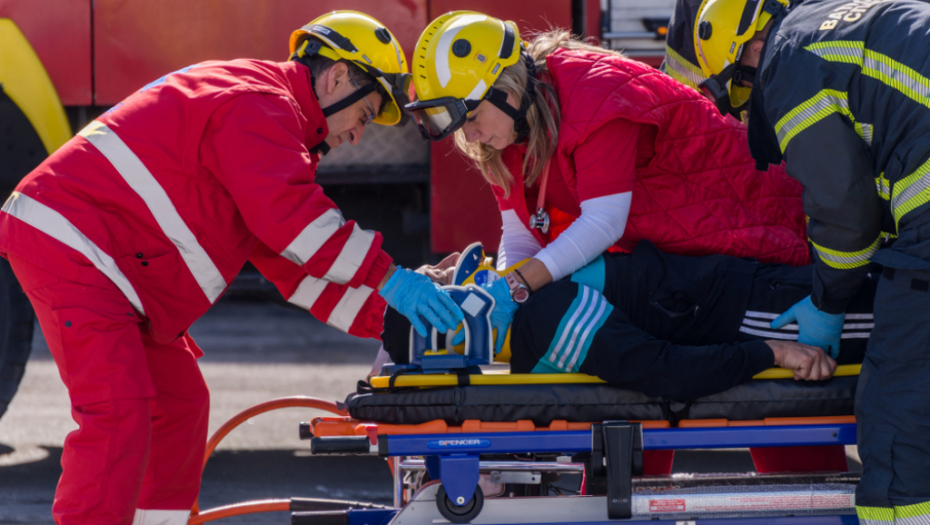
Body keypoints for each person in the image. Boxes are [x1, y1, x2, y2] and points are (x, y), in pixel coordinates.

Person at [0, 11, 466, 525]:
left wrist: (398, 320)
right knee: (116, 410)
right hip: (76, 247)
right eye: (365, 114)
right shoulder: (260, 105)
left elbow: (295, 267)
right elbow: (298, 226)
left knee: (179, 404)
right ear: (337, 78)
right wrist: (392, 278)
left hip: (116, 268)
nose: (358, 136)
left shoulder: (275, 124)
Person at [404, 11, 809, 359]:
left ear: (505, 88)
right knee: (635, 421)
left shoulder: (596, 93)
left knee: (786, 420)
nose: (470, 137)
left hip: (763, 244)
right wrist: (506, 292)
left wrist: (516, 286)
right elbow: (522, 232)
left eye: (471, 120)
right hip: (681, 272)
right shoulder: (510, 130)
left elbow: (604, 222)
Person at [693, 0, 930, 520]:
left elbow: (846, 210)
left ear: (753, 47)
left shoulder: (790, 62)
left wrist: (827, 300)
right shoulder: (846, 22)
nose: (755, 99)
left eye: (744, 84)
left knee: (897, 412)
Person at [380, 240, 876, 473]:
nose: (446, 265)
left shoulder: (526, 308)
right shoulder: (547, 317)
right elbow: (667, 372)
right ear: (449, 327)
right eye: (440, 279)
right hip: (761, 313)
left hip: (742, 296)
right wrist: (776, 349)